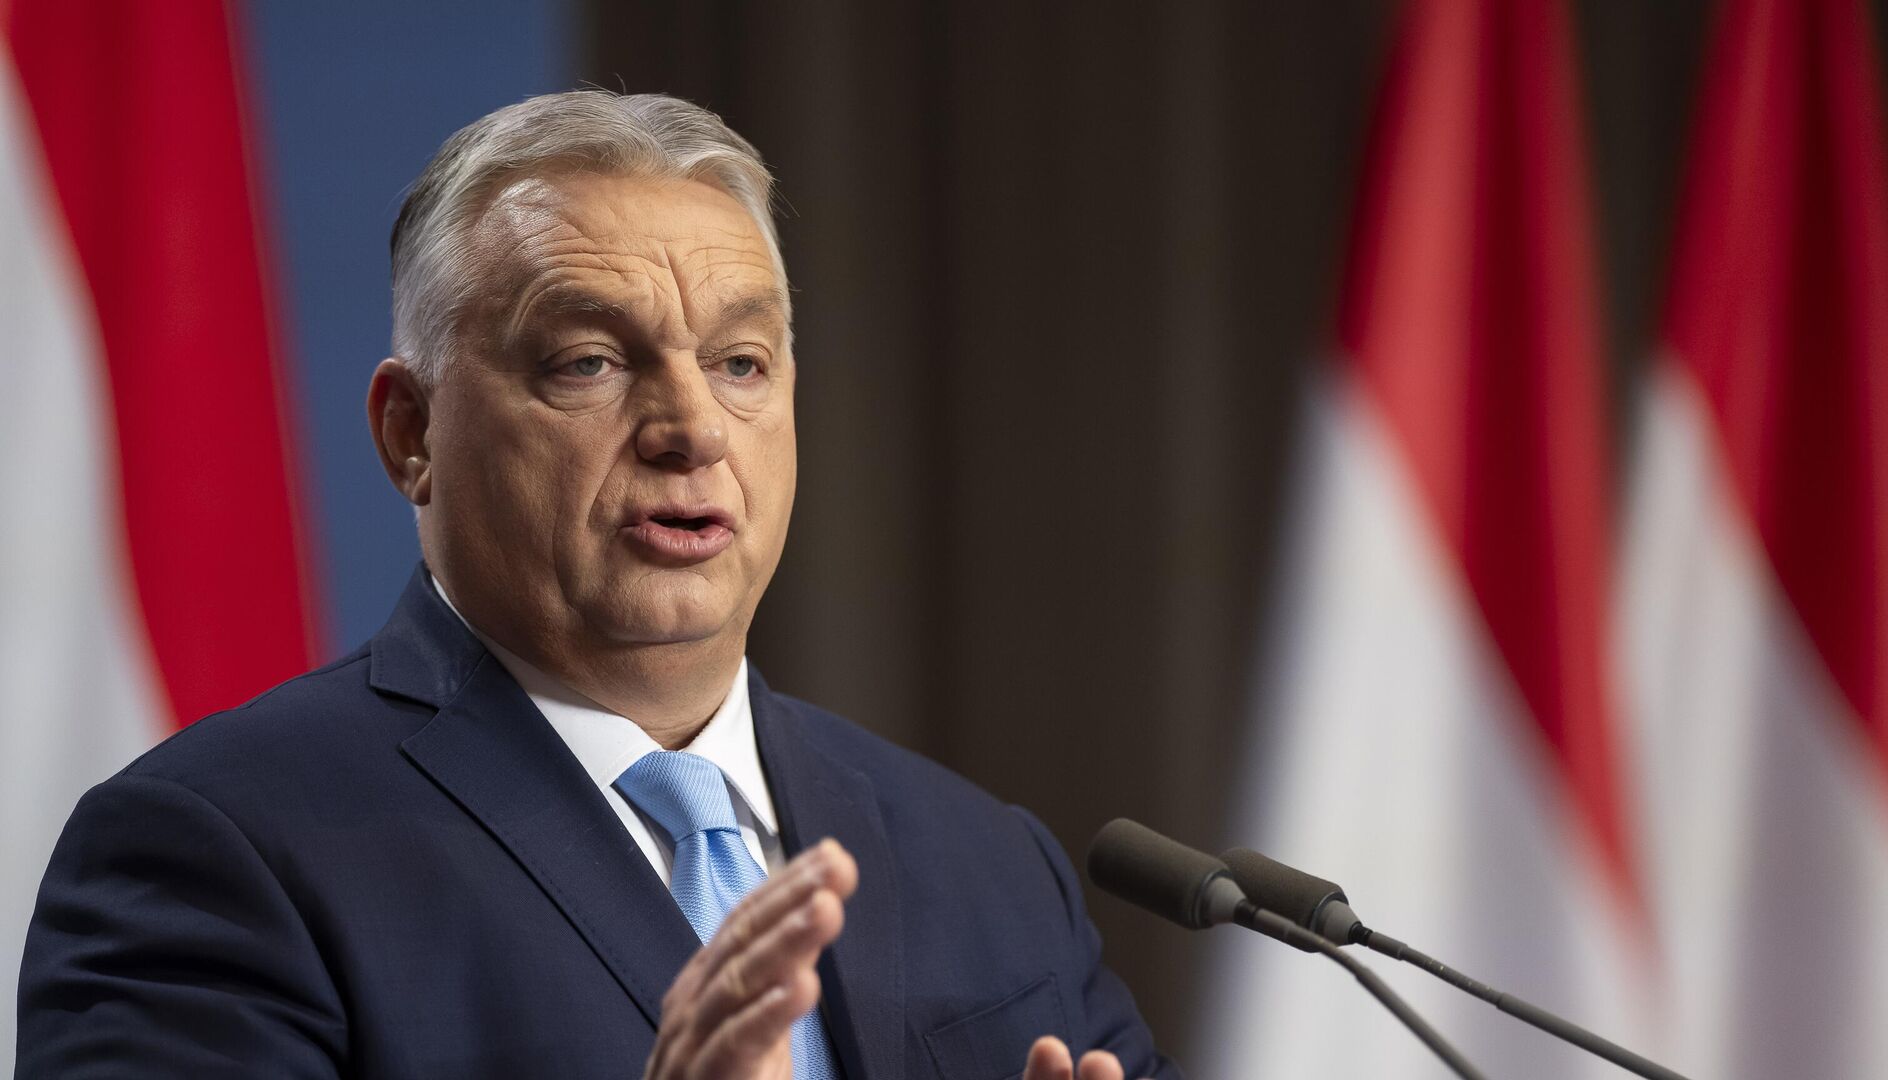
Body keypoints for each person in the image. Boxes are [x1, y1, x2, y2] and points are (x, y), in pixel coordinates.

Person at [15, 91, 1177, 1080]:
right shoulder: (218, 853)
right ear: (412, 433)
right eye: (590, 362)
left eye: (740, 363)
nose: (692, 429)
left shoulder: (986, 862)